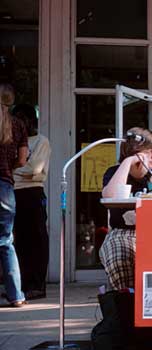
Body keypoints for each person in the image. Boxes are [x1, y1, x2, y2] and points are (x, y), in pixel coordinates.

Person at [100, 127, 152, 290]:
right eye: (149, 151)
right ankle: (127, 302)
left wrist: (150, 173)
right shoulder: (114, 172)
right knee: (120, 258)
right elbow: (110, 195)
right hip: (123, 232)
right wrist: (127, 162)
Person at [12, 104, 51, 300]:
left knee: (37, 240)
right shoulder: (15, 142)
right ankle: (23, 284)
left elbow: (34, 170)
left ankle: (37, 284)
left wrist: (13, 169)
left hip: (33, 193)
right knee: (20, 241)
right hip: (14, 192)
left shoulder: (40, 141)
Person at [0, 83, 28, 307]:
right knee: (6, 242)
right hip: (5, 186)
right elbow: (22, 159)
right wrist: (9, 168)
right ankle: (16, 295)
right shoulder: (18, 125)